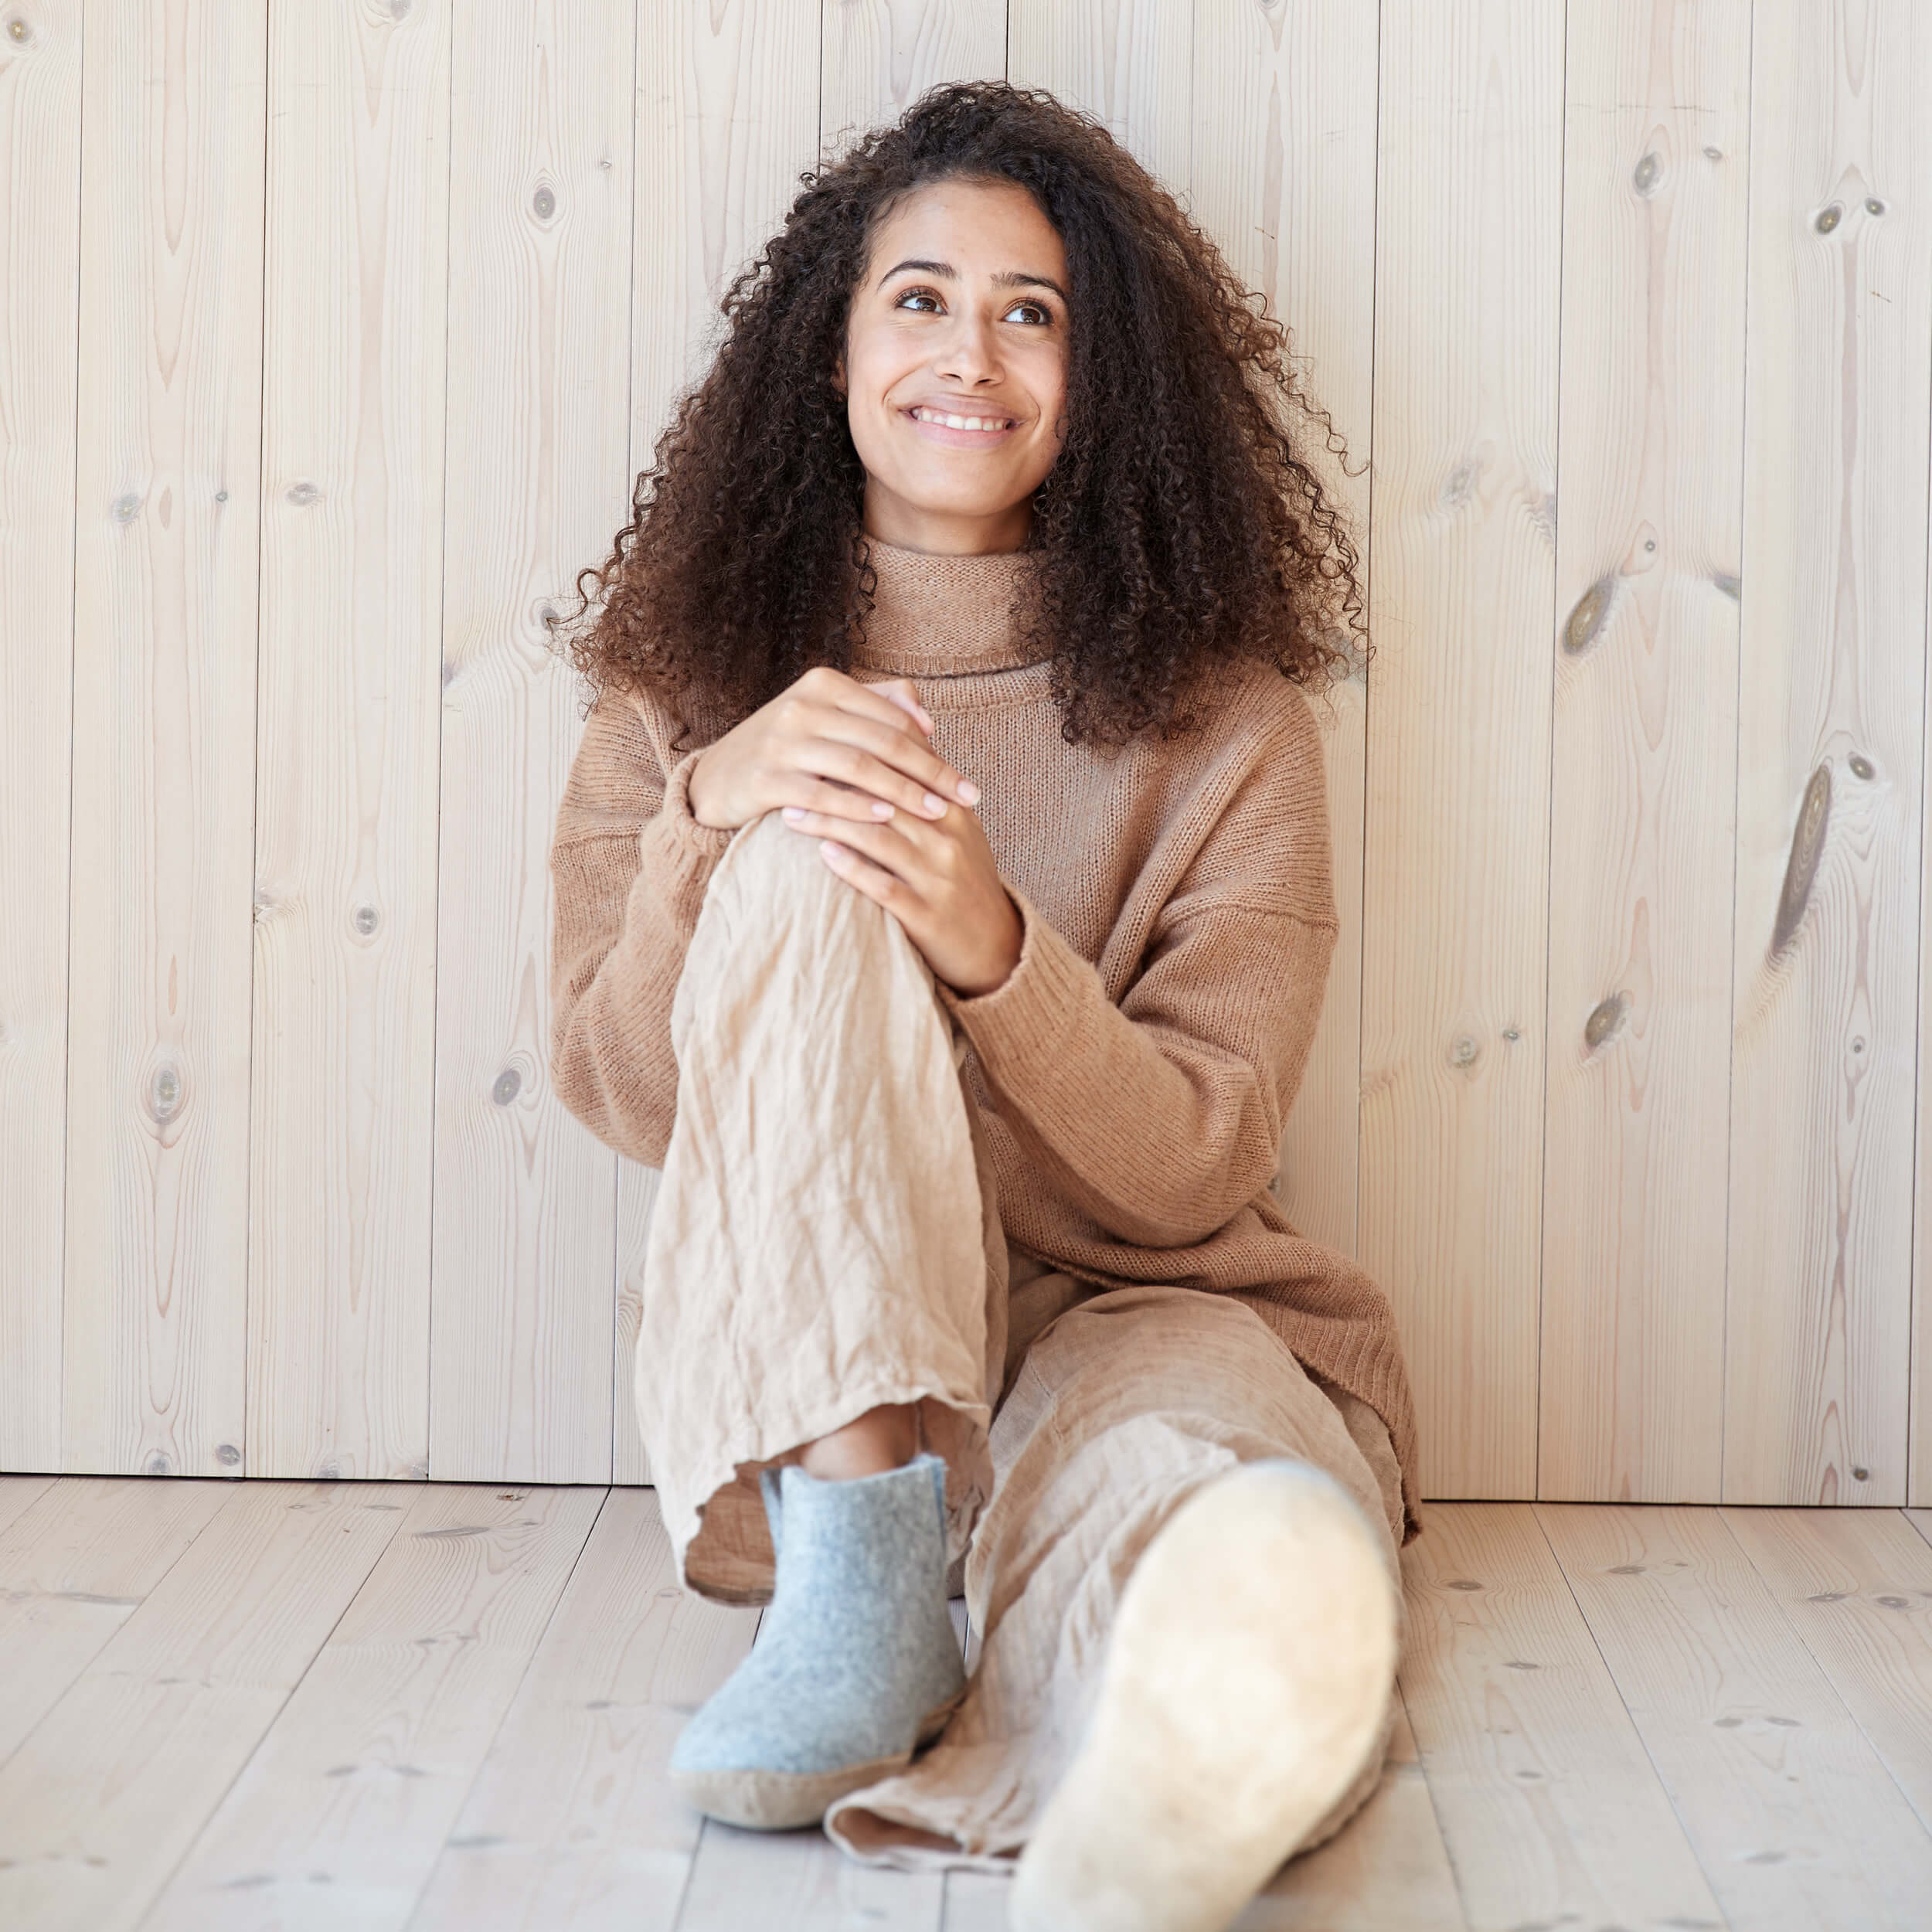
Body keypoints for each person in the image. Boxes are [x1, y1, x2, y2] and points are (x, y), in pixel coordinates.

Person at [546, 80, 1421, 1932]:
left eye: (1033, 312)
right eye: (921, 299)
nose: (975, 353)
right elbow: (628, 1092)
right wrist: (715, 808)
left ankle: (1169, 1777)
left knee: (1207, 1504)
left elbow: (1197, 1162)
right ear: (831, 348)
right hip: (831, 1338)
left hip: (1138, 1296)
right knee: (805, 838)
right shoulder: (687, 685)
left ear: (1103, 381)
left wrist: (991, 942)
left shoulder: (1229, 717)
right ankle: (863, 1578)